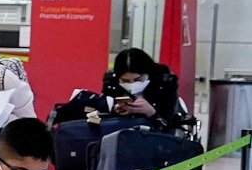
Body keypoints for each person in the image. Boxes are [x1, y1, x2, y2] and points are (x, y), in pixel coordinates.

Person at [60, 47, 194, 131]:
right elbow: (101, 114)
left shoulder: (165, 81)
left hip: (158, 136)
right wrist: (113, 110)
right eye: (125, 81)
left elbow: (169, 120)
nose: (131, 84)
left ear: (148, 74)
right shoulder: (111, 81)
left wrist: (152, 113)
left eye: (137, 80)